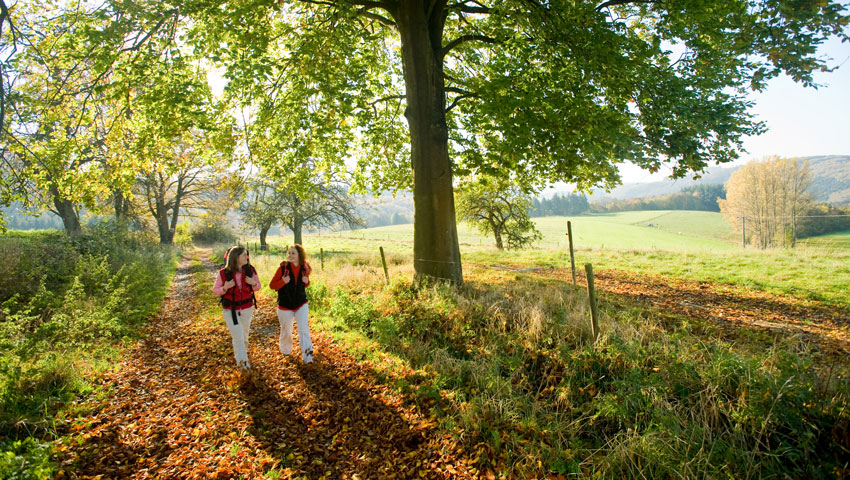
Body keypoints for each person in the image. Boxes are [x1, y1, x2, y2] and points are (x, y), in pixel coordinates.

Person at [212, 246, 261, 370]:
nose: (247, 257)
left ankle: (241, 358)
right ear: (236, 257)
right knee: (238, 337)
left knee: (244, 337)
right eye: (244, 255)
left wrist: (253, 283)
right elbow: (215, 291)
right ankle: (244, 366)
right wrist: (225, 287)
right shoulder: (223, 273)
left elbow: (258, 286)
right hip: (230, 310)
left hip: (247, 308)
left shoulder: (250, 270)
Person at [269, 244, 314, 363]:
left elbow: (304, 283)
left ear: (300, 255)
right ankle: (286, 352)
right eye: (289, 253)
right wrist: (283, 281)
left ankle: (308, 357)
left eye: (293, 253)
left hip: (301, 304)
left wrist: (307, 281)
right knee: (286, 331)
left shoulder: (304, 268)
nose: (290, 255)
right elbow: (272, 285)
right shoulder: (283, 268)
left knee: (304, 330)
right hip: (285, 305)